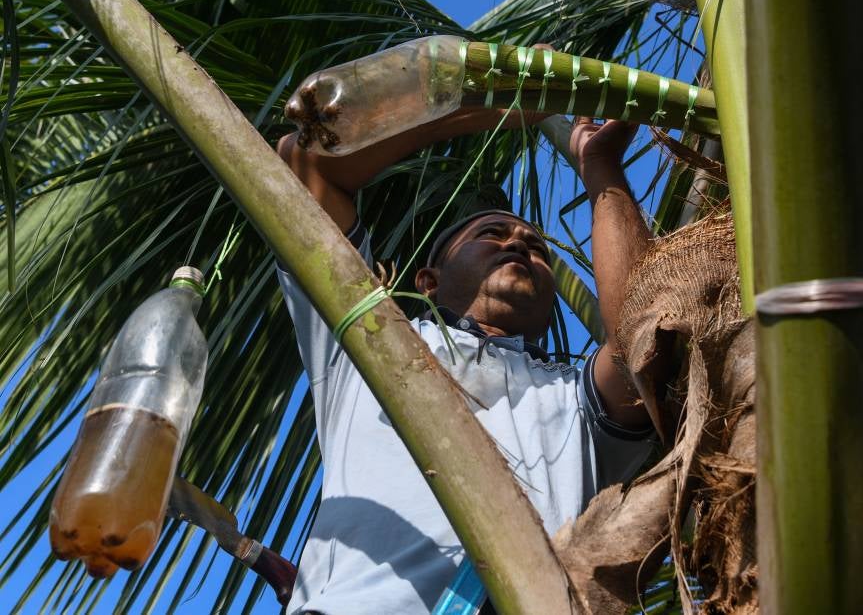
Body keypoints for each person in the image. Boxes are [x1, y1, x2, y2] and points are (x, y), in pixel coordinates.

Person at [275, 107, 657, 614]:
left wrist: (601, 167)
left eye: (537, 248)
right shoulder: (369, 339)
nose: (518, 243)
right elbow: (307, 165)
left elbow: (642, 334)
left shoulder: (574, 398)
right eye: (491, 234)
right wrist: (504, 103)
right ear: (428, 281)